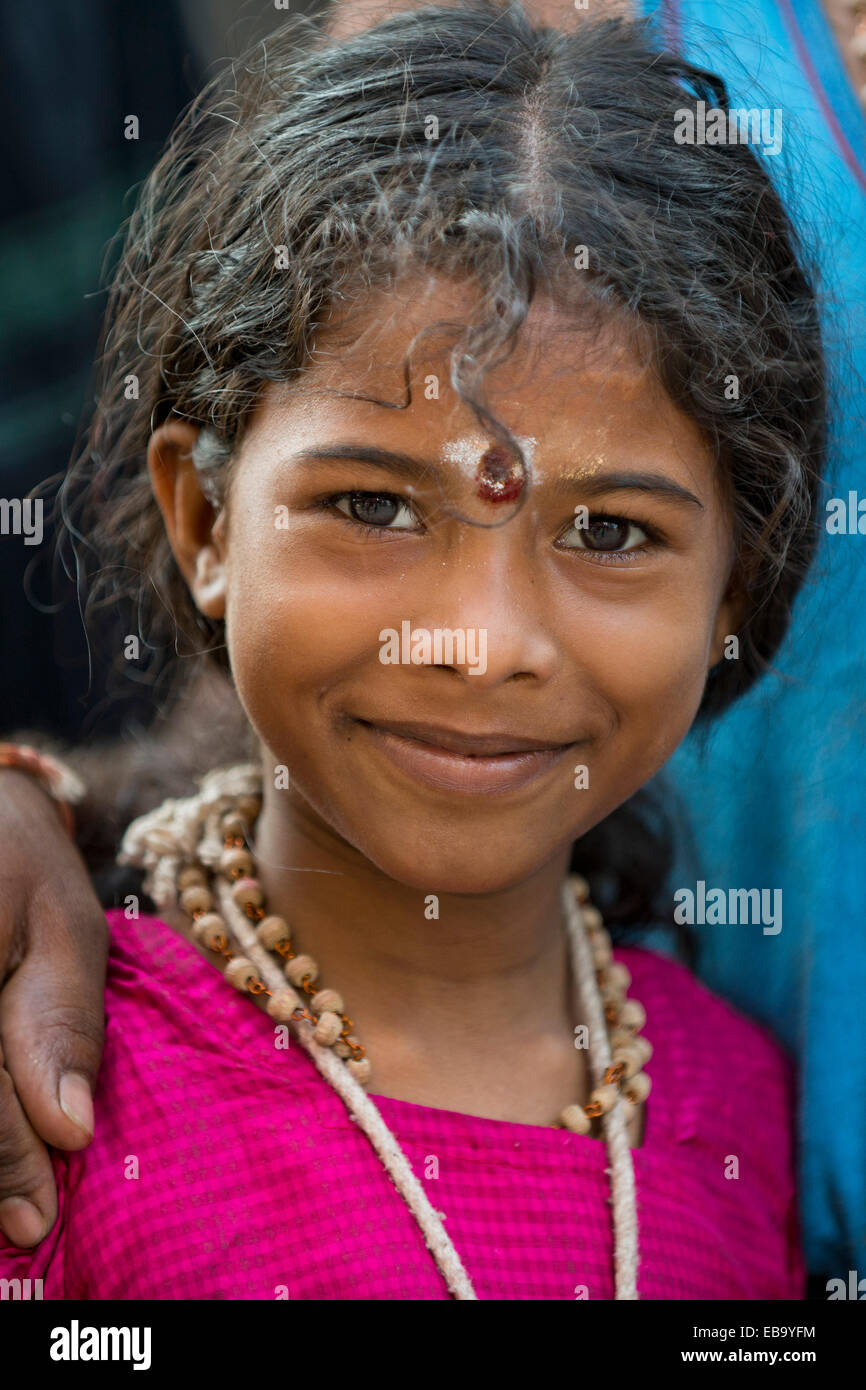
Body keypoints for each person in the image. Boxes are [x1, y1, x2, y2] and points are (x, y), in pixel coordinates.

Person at [0, 1, 820, 1298]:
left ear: (740, 578)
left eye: (608, 530)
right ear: (205, 517)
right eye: (374, 506)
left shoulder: (741, 1113)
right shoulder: (51, 1093)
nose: (480, 640)